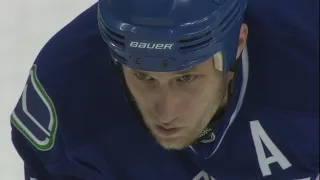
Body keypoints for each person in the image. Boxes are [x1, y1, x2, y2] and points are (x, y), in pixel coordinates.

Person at [10, 0, 319, 179]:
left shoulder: (307, 56)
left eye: (185, 79)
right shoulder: (67, 99)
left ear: (238, 43)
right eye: (144, 78)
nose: (166, 112)